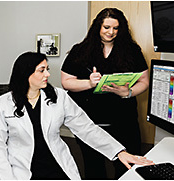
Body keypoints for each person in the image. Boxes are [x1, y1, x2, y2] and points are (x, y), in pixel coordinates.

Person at [0, 52, 153, 180]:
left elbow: (86, 128)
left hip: (55, 162)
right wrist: (7, 176)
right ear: (25, 74)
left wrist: (119, 152)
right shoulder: (3, 103)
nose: (48, 74)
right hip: (20, 167)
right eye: (41, 70)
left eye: (47, 69)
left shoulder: (59, 97)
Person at [61, 8, 150, 179]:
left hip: (124, 121)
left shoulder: (132, 51)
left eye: (116, 28)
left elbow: (144, 81)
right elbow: (66, 82)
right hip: (89, 123)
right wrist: (89, 83)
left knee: (128, 168)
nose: (111, 32)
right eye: (107, 27)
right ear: (98, 27)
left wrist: (128, 92)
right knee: (94, 168)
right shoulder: (80, 51)